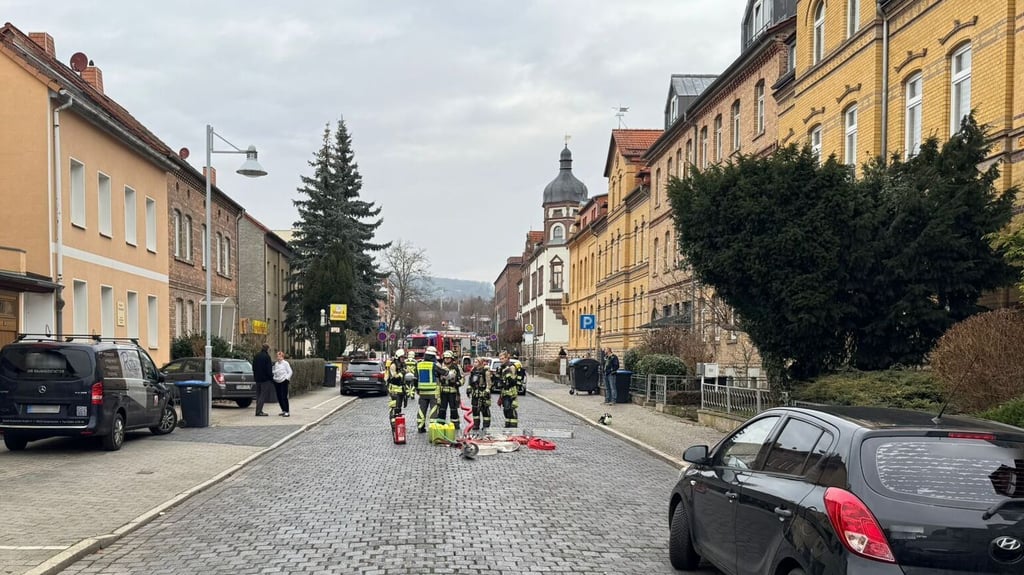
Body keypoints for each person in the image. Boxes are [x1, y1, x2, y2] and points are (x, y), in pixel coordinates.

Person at [415, 346, 448, 433]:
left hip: (422, 392)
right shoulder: (433, 365)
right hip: (433, 392)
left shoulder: (419, 364)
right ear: (433, 356)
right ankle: (432, 428)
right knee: (433, 409)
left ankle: (420, 427)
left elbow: (415, 378)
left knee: (422, 409)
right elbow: (444, 373)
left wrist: (417, 389)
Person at [437, 350, 463, 429]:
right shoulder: (440, 367)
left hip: (453, 391)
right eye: (445, 358)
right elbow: (437, 378)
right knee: (442, 409)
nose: (447, 359)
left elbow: (462, 378)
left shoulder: (456, 367)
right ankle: (440, 424)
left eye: (448, 358)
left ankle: (455, 424)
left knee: (453, 409)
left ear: (451, 358)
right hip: (443, 391)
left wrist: (458, 383)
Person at [466, 357, 492, 435]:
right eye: (474, 361)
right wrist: (469, 389)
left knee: (485, 410)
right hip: (475, 394)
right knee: (475, 410)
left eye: (476, 362)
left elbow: (489, 383)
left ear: (480, 363)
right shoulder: (473, 371)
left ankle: (486, 426)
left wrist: (487, 391)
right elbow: (470, 382)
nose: (475, 363)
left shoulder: (485, 371)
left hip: (483, 394)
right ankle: (476, 425)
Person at [497, 351, 520, 428]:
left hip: (511, 392)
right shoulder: (502, 368)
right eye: (500, 359)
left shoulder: (511, 367)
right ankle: (507, 425)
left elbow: (513, 381)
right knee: (505, 409)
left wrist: (508, 375)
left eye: (503, 358)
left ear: (507, 358)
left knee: (510, 409)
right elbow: (500, 381)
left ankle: (513, 426)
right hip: (504, 392)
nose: (501, 360)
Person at [385, 348, 408, 426]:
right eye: (401, 357)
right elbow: (395, 378)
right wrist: (402, 373)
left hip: (401, 389)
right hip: (394, 390)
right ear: (397, 357)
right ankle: (393, 422)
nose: (403, 359)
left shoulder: (403, 365)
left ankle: (397, 421)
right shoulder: (393, 365)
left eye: (403, 357)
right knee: (394, 406)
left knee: (399, 407)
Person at [253, 343, 274, 416]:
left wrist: (255, 376)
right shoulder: (267, 357)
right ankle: (259, 411)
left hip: (257, 379)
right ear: (267, 349)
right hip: (265, 380)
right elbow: (269, 369)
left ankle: (257, 410)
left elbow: (253, 367)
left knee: (258, 395)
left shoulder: (256, 356)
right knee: (262, 395)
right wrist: (271, 378)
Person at [272, 351, 293, 417]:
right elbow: (275, 371)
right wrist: (274, 377)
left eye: (280, 356)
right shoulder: (276, 364)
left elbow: (290, 371)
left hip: (284, 380)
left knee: (284, 396)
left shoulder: (286, 363)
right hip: (277, 381)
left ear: (282, 357)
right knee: (279, 396)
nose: (278, 357)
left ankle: (287, 411)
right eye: (277, 356)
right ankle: (283, 410)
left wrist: (287, 378)